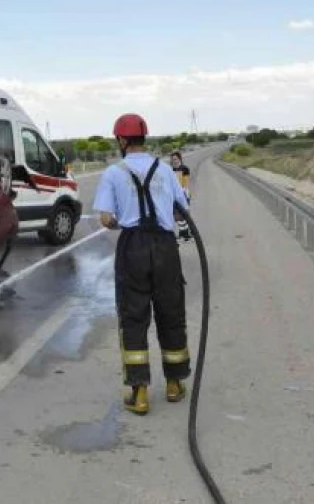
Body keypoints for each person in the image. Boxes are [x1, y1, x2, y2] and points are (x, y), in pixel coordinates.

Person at [93, 113, 191, 416]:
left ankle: (140, 394)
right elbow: (180, 213)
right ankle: (174, 384)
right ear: (144, 138)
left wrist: (118, 220)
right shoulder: (164, 169)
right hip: (164, 247)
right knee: (170, 312)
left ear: (122, 140)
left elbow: (106, 218)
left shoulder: (113, 172)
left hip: (133, 247)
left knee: (134, 317)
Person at [170, 151, 193, 242]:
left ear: (179, 158)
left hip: (183, 194)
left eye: (175, 159)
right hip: (175, 196)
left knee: (183, 215)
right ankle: (183, 233)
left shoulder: (185, 169)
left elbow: (185, 184)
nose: (174, 161)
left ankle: (186, 234)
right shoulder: (171, 170)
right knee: (177, 216)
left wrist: (184, 195)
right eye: (172, 159)